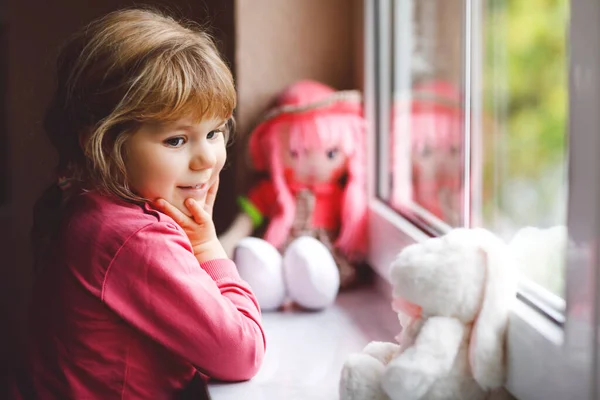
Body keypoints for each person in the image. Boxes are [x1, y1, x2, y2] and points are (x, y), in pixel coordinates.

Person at [23, 8, 266, 399]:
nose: (206, 159)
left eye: (215, 132)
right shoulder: (136, 238)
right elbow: (243, 352)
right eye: (176, 140)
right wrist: (207, 246)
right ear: (101, 144)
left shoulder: (92, 205)